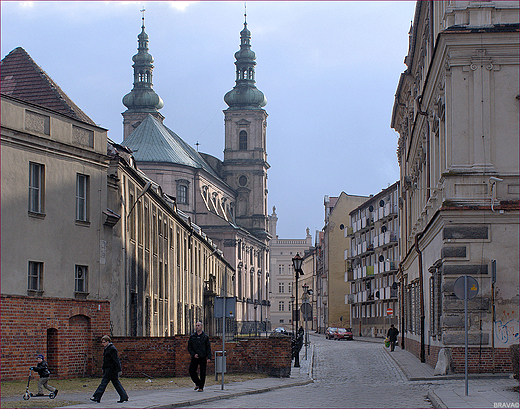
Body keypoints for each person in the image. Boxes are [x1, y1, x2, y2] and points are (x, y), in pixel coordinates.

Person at [91, 335, 129, 403]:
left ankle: (97, 397)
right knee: (116, 384)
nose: (103, 344)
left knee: (103, 383)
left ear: (108, 341)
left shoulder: (112, 349)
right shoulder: (108, 348)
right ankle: (124, 396)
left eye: (104, 342)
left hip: (111, 370)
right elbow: (106, 360)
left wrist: (119, 370)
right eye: (102, 342)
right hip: (109, 370)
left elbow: (116, 360)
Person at [187, 321, 211, 392]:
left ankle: (201, 387)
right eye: (196, 325)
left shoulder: (205, 337)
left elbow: (208, 347)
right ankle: (197, 382)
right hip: (195, 356)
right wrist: (193, 354)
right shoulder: (192, 337)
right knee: (191, 370)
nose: (197, 327)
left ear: (201, 327)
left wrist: (209, 357)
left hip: (202, 356)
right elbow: (189, 347)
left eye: (198, 325)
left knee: (202, 372)